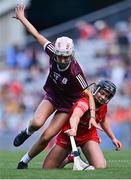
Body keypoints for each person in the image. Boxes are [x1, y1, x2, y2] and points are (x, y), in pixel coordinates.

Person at [13, 4, 99, 169]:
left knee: (47, 136)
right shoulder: (52, 51)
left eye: (65, 56)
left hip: (67, 105)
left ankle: (24, 161)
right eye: (60, 56)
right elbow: (36, 34)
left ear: (71, 54)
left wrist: (93, 116)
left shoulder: (75, 72)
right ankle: (26, 132)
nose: (62, 59)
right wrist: (23, 18)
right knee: (37, 123)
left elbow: (88, 94)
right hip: (53, 96)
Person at [42, 80, 122, 169]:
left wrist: (113, 138)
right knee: (47, 168)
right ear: (96, 89)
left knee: (100, 166)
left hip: (88, 137)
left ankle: (85, 156)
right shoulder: (84, 101)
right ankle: (69, 158)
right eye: (102, 93)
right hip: (69, 136)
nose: (103, 97)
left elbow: (103, 120)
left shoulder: (103, 106)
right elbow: (75, 116)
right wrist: (74, 129)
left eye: (106, 96)